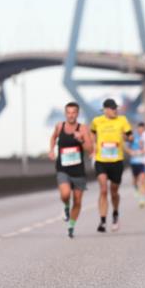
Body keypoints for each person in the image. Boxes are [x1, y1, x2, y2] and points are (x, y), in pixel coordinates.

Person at [49, 102, 93, 238]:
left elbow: (90, 149)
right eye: (68, 112)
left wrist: (81, 140)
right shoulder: (59, 126)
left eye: (74, 112)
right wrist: (51, 150)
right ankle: (66, 207)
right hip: (63, 167)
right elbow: (53, 137)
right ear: (65, 114)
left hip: (78, 169)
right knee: (65, 194)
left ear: (77, 114)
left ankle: (71, 226)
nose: (71, 115)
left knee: (78, 201)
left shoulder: (83, 129)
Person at [90, 98, 133, 232]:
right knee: (103, 190)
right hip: (101, 160)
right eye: (113, 108)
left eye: (116, 108)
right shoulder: (97, 121)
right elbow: (92, 133)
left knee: (114, 191)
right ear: (106, 110)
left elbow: (130, 137)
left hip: (116, 161)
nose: (115, 111)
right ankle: (102, 221)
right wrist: (94, 145)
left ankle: (115, 213)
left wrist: (125, 137)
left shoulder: (122, 120)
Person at [129, 122, 145, 207]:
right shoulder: (133, 137)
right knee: (135, 180)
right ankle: (136, 189)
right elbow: (127, 147)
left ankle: (142, 199)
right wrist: (131, 152)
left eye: (143, 129)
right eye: (140, 129)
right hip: (134, 162)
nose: (141, 130)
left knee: (142, 180)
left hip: (143, 162)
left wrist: (144, 151)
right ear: (137, 129)